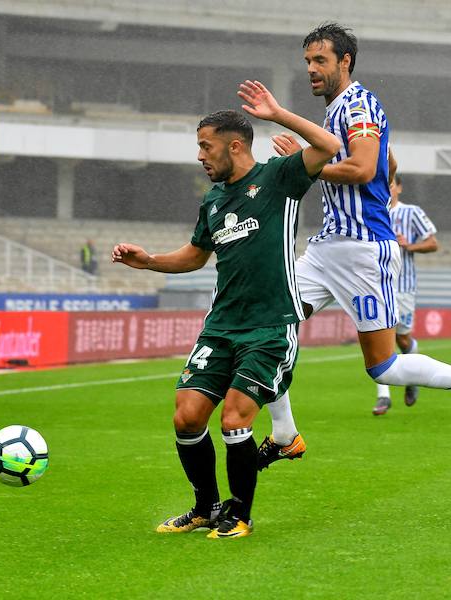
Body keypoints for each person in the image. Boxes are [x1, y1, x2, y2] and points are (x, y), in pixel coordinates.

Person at [258, 22, 451, 471]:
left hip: (363, 250)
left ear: (345, 61)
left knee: (384, 368)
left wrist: (299, 162)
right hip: (324, 249)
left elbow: (360, 167)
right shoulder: (340, 110)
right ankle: (284, 435)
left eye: (320, 60)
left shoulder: (358, 103)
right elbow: (385, 160)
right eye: (307, 62)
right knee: (266, 319)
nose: (312, 70)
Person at [111, 82, 340, 539]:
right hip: (221, 327)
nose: (200, 155)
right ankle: (205, 507)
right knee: (187, 415)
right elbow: (196, 256)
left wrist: (276, 114)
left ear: (235, 146)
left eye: (205, 145)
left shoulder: (279, 178)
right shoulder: (213, 201)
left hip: (270, 326)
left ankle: (240, 514)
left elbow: (330, 145)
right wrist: (149, 261)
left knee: (235, 418)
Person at [372, 173, 439, 415]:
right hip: (376, 283)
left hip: (404, 286)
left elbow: (433, 243)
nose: (387, 189)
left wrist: (409, 245)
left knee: (401, 339)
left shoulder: (411, 213)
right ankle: (383, 396)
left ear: (399, 187)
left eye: (391, 184)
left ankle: (411, 375)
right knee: (378, 337)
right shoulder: (370, 210)